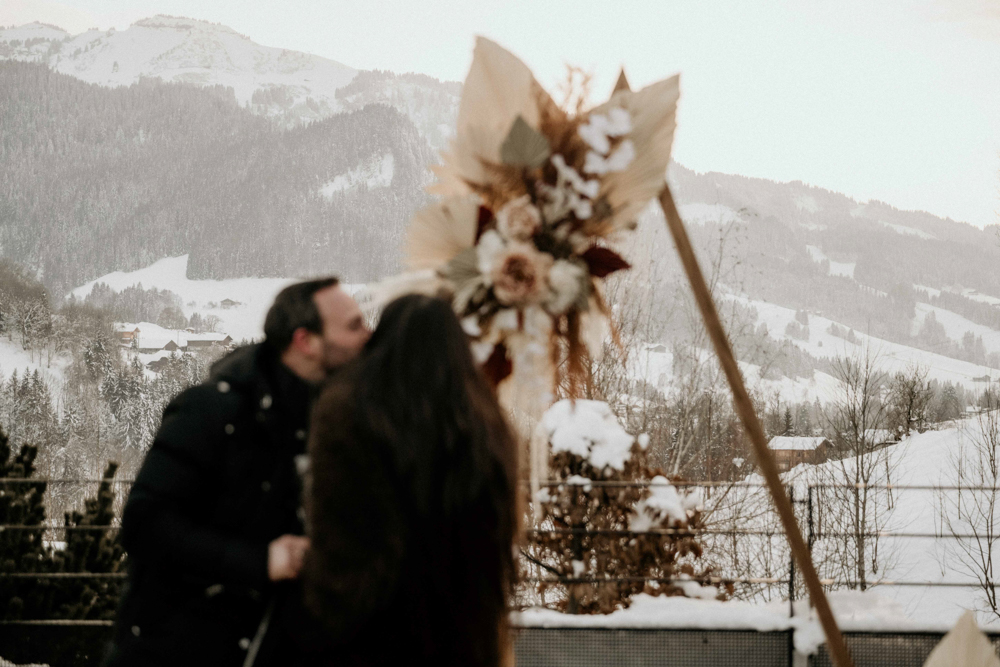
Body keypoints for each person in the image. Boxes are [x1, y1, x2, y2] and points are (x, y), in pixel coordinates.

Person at [103, 278, 370, 667]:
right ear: (305, 341)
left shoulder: (332, 425)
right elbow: (145, 524)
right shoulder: (210, 411)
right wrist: (262, 562)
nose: (368, 335)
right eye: (354, 325)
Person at [296, 294, 519, 667]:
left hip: (372, 632)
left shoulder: (351, 413)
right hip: (467, 629)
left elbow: (340, 540)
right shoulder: (487, 426)